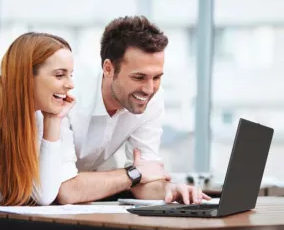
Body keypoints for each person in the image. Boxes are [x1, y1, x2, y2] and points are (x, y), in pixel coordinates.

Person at [56, 16, 211, 205]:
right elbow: (66, 190)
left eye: (157, 77)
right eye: (139, 77)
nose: (149, 89)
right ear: (108, 68)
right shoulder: (68, 95)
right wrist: (133, 174)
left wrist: (170, 190)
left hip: (81, 201)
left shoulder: (151, 98)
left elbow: (147, 176)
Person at [0, 32, 78, 206]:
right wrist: (22, 194)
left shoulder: (36, 112)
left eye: (71, 74)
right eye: (59, 75)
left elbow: (43, 195)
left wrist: (53, 120)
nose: (70, 84)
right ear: (26, 75)